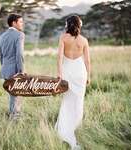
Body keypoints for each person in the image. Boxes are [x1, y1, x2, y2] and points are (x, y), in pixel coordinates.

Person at [55, 15, 91, 150]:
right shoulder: (84, 40)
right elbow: (87, 61)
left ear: (68, 25)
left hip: (67, 72)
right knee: (78, 101)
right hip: (80, 72)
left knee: (67, 100)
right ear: (79, 25)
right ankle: (76, 128)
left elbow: (59, 57)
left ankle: (64, 129)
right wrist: (89, 76)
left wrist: (59, 73)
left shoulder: (63, 38)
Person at [0, 13, 25, 120]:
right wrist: (21, 70)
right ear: (14, 23)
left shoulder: (2, 36)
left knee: (13, 95)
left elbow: (1, 56)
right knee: (16, 95)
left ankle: (13, 116)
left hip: (5, 69)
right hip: (15, 70)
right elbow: (19, 54)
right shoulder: (20, 35)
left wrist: (5, 67)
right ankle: (15, 118)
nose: (22, 24)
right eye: (20, 22)